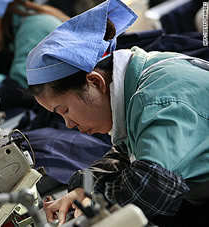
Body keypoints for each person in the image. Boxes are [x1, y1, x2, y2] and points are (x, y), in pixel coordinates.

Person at [25, 0, 209, 226]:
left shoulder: (155, 98)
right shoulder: (137, 82)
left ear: (94, 81)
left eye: (65, 111)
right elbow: (125, 154)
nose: (69, 124)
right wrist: (84, 188)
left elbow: (150, 188)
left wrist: (94, 194)